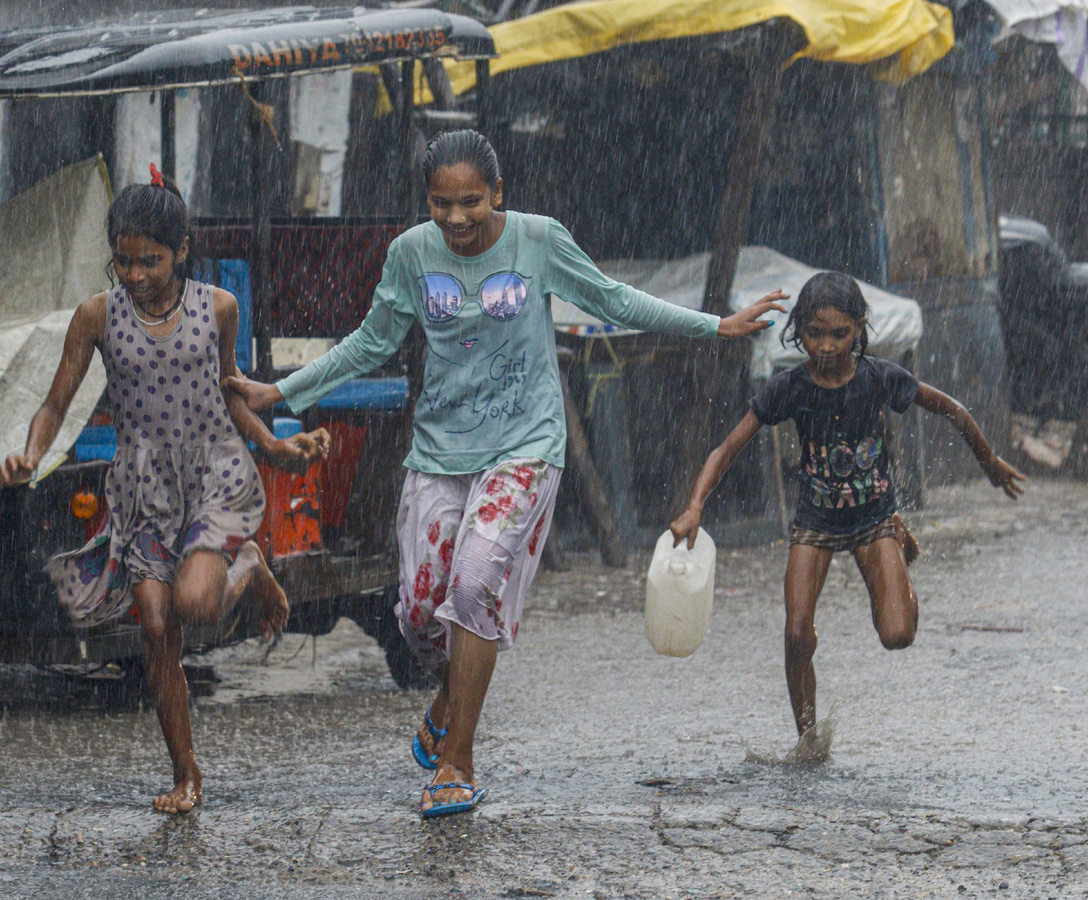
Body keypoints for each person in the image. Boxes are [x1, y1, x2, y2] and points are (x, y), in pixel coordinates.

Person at [225, 128, 783, 818]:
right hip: (439, 450)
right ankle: (449, 697)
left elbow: (612, 300)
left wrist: (714, 325)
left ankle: (457, 762)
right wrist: (279, 393)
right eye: (440, 204)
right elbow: (373, 340)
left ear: (498, 193)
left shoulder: (538, 240)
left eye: (470, 203)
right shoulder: (410, 255)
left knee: (474, 581)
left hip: (524, 445)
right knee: (418, 614)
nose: (456, 219)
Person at [0, 166, 329, 813]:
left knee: (197, 605)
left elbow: (232, 391)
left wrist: (276, 446)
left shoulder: (216, 307)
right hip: (143, 488)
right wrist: (31, 452)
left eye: (151, 261)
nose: (136, 275)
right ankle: (186, 773)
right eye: (123, 262)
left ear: (182, 252)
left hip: (211, 474)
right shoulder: (96, 315)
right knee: (155, 624)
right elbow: (57, 402)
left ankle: (249, 567)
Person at [670, 271, 1024, 747]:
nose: (827, 345)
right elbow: (725, 450)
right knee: (796, 634)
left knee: (897, 635)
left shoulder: (880, 378)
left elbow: (952, 409)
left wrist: (991, 462)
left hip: (873, 520)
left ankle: (897, 548)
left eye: (840, 333)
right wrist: (696, 506)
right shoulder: (789, 387)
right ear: (799, 330)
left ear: (858, 329)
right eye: (815, 333)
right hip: (814, 522)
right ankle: (808, 740)